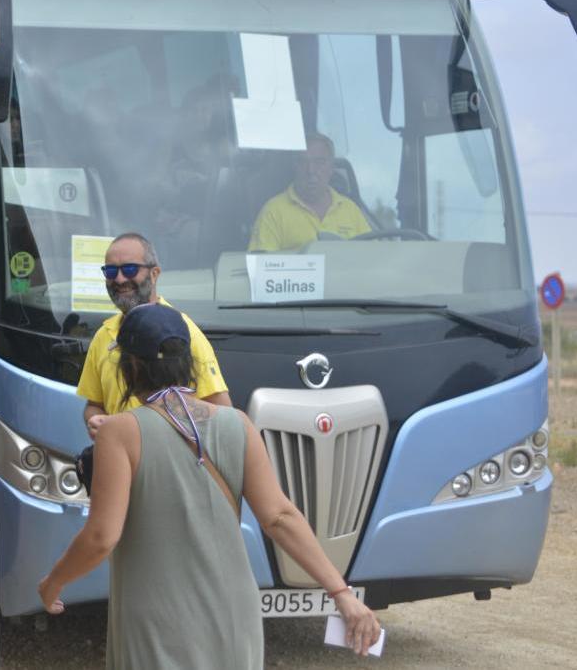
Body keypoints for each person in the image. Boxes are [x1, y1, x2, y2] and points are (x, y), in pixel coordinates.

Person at [39, 304, 382, 668]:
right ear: (188, 361)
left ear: (131, 365)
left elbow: (101, 537)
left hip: (158, 623)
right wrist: (341, 593)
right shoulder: (238, 424)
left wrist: (53, 582)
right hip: (234, 616)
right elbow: (280, 517)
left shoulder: (120, 431)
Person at [77, 233, 231, 443]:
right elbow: (94, 404)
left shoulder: (182, 331)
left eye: (130, 269)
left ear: (155, 273)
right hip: (119, 462)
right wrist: (95, 420)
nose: (120, 279)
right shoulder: (103, 336)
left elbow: (222, 412)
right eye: (111, 271)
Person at [248, 133, 372, 252]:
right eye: (303, 162)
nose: (311, 170)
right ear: (295, 167)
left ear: (332, 169)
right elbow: (262, 268)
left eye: (319, 162)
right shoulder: (273, 212)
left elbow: (372, 259)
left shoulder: (350, 210)